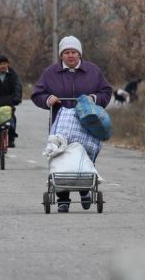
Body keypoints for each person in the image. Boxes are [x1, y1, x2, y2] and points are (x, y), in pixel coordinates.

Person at [31, 35, 112, 212]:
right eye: (66, 52)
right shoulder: (51, 73)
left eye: (74, 52)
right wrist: (48, 99)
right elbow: (36, 94)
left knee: (84, 155)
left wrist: (95, 98)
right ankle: (63, 199)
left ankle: (84, 189)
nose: (70, 56)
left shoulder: (93, 71)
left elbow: (106, 91)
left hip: (87, 123)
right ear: (61, 55)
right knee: (61, 157)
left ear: (79, 54)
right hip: (60, 123)